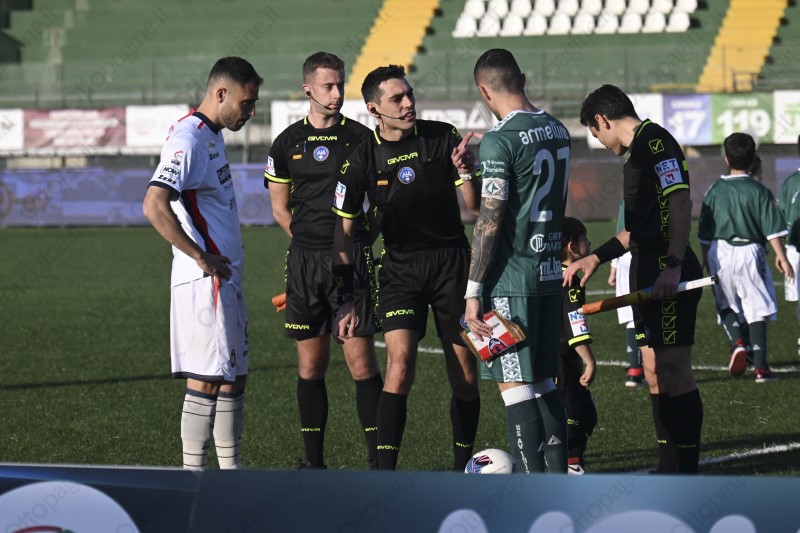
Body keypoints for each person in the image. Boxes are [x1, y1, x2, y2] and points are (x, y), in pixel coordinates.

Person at [332, 64, 482, 471]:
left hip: (452, 264)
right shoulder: (360, 159)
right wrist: (345, 298)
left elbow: (473, 207)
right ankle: (385, 474)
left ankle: (461, 471)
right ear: (374, 109)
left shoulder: (443, 137)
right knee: (399, 368)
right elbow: (342, 237)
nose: (408, 103)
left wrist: (466, 169)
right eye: (397, 98)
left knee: (465, 375)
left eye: (410, 94)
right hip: (400, 269)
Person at [563, 84, 704, 474]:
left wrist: (673, 265)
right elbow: (634, 231)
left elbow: (680, 202)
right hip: (643, 273)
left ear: (602, 120)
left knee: (674, 369)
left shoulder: (656, 143)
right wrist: (595, 257)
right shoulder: (635, 155)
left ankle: (688, 471)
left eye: (595, 133)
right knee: (655, 372)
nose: (600, 141)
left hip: (667, 271)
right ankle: (668, 466)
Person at [142, 56, 262, 469]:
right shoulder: (188, 139)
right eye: (246, 102)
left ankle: (231, 478)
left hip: (226, 279)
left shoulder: (212, 134)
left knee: (233, 378)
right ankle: (191, 482)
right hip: (204, 283)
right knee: (207, 380)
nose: (251, 111)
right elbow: (154, 204)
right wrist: (199, 256)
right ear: (221, 93)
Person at [264, 52, 383, 469]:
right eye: (328, 86)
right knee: (311, 366)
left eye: (340, 85)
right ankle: (314, 465)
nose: (336, 94)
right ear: (308, 90)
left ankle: (378, 464)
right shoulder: (286, 143)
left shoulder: (362, 139)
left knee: (361, 365)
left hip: (351, 261)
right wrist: (310, 243)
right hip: (304, 264)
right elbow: (280, 208)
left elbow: (380, 203)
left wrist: (357, 241)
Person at [464, 48, 570, 474]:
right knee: (544, 382)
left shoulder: (499, 139)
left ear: (483, 91)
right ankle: (557, 483)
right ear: (521, 79)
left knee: (515, 390)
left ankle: (530, 494)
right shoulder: (558, 129)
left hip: (510, 279)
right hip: (548, 273)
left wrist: (473, 291)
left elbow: (489, 219)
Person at [698, 132, 793, 383]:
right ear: (753, 161)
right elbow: (772, 230)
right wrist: (782, 257)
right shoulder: (759, 190)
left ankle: (738, 342)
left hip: (719, 250)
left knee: (725, 303)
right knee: (756, 307)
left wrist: (705, 259)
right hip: (750, 251)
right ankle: (761, 368)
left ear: (726, 159)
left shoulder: (714, 190)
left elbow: (704, 233)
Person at [559, 217, 598, 475]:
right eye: (585, 239)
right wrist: (589, 359)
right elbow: (574, 321)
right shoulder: (570, 279)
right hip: (562, 357)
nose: (589, 242)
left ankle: (571, 457)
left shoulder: (548, 273)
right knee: (574, 412)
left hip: (550, 355)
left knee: (584, 413)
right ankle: (571, 461)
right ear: (572, 247)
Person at [607, 200, 644, 387]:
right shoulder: (664, 190)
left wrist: (614, 265)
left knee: (631, 316)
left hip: (625, 255)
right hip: (649, 255)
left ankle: (635, 370)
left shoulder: (628, 194)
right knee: (650, 314)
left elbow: (621, 229)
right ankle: (647, 369)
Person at [777, 136, 800, 357]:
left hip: (793, 249)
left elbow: (781, 219)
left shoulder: (790, 182)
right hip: (794, 249)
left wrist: (781, 251)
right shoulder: (791, 182)